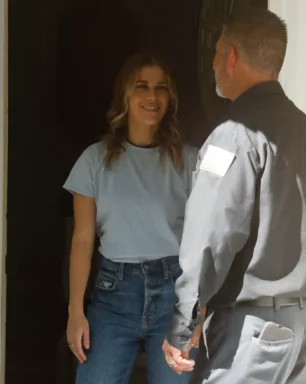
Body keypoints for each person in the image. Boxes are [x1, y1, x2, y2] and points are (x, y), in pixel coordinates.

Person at [161, 8, 306, 384]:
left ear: (231, 56)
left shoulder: (235, 135)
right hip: (302, 325)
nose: (211, 63)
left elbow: (212, 233)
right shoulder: (305, 130)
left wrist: (183, 321)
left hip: (255, 331)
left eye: (216, 52)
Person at [63, 52, 201, 384]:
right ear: (125, 94)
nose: (152, 96)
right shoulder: (93, 160)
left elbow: (203, 242)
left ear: (171, 99)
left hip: (175, 295)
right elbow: (83, 239)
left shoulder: (190, 161)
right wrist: (75, 311)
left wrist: (200, 311)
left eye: (161, 88)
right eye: (141, 86)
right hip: (113, 297)